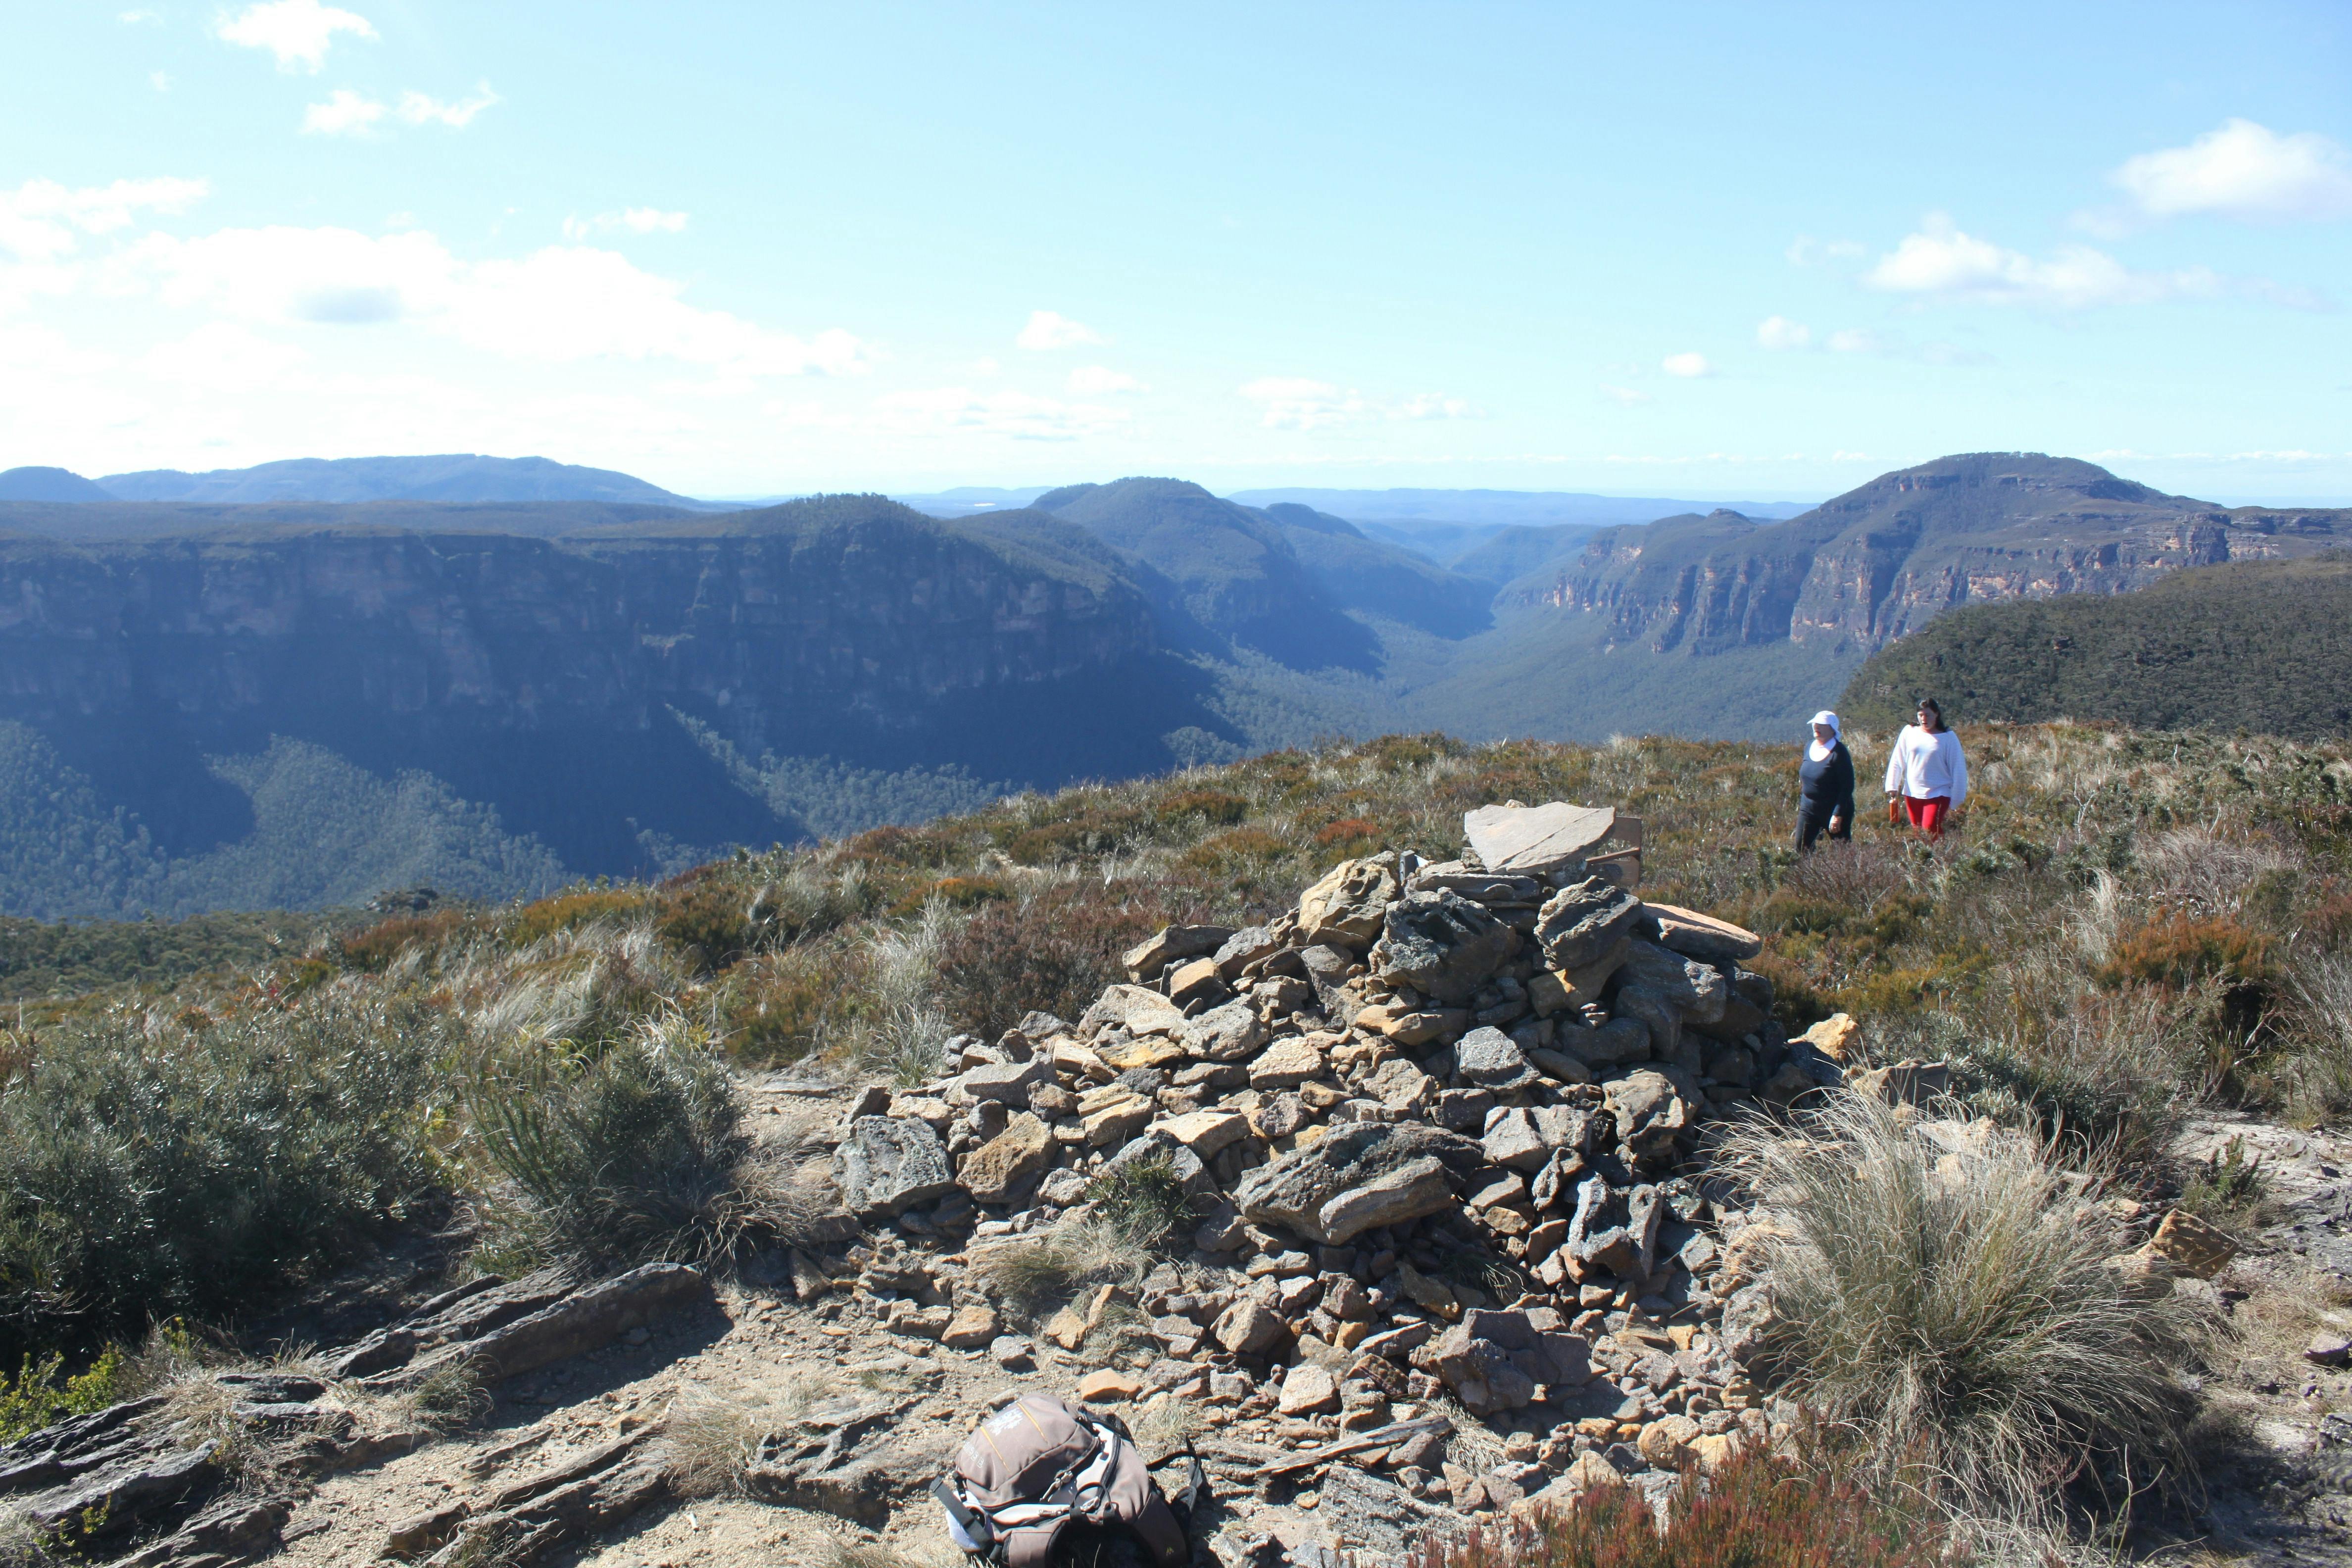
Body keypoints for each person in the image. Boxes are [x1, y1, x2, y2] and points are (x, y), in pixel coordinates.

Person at [1884, 696, 1967, 837]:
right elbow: (1898, 759)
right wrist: (1892, 785)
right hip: (1912, 792)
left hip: (1939, 792)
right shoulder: (1909, 732)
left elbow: (1958, 768)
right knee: (1918, 833)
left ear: (1937, 714)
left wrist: (1957, 798)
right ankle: (1931, 858)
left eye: (1928, 715)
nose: (1924, 719)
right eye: (1921, 715)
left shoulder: (1948, 737)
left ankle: (1941, 857)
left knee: (1929, 829)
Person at [1796, 710, 1853, 852]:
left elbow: (1847, 787)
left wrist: (1837, 815)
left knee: (1843, 852)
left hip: (1833, 809)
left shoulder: (1839, 753)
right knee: (1802, 848)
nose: (1816, 727)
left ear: (1832, 729)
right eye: (1815, 724)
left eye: (1822, 725)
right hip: (1809, 808)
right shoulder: (1809, 746)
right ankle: (1807, 874)